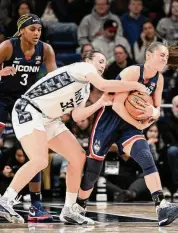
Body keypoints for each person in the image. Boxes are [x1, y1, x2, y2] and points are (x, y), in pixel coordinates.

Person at [0, 50, 147, 224]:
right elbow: (105, 85)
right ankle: (5, 201)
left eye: (105, 63)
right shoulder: (81, 68)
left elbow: (77, 116)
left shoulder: (85, 90)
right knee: (40, 160)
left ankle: (69, 210)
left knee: (78, 157)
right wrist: (134, 85)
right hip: (28, 109)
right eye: (100, 61)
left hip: (49, 119)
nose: (103, 65)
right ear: (88, 60)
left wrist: (100, 103)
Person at [76, 42, 178, 226]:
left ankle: (161, 206)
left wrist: (151, 114)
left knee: (146, 156)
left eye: (166, 56)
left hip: (129, 127)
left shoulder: (159, 79)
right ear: (148, 55)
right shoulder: (132, 72)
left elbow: (156, 109)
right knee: (93, 171)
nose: (165, 58)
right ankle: (78, 206)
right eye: (161, 55)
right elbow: (117, 105)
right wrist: (139, 122)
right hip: (109, 122)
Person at [0, 13, 57, 221]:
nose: (37, 33)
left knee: (34, 153)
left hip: (24, 102)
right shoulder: (7, 46)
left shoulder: (45, 49)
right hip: (2, 99)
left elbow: (54, 79)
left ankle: (36, 205)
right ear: (22, 30)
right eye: (32, 29)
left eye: (39, 29)